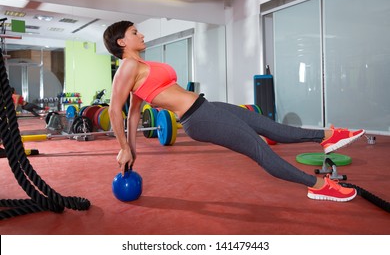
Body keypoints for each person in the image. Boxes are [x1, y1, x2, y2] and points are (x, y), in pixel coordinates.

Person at [103, 21, 365, 202]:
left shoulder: (140, 65)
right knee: (260, 150)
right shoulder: (127, 67)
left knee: (271, 128)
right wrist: (124, 147)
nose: (142, 35)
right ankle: (319, 187)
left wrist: (132, 150)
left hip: (206, 107)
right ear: (121, 41)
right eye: (135, 32)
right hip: (199, 119)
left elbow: (135, 113)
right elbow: (117, 111)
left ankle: (326, 137)